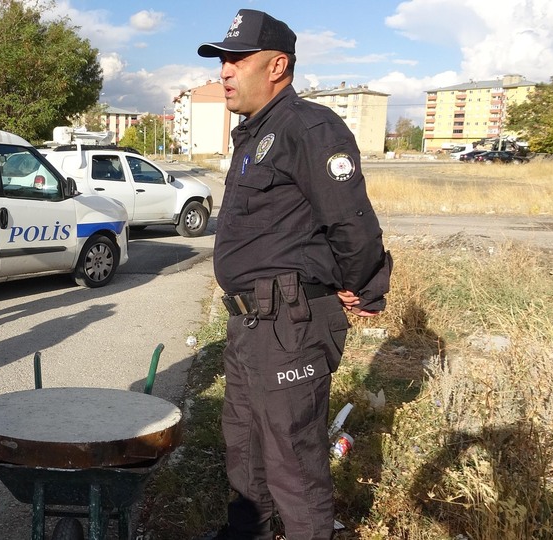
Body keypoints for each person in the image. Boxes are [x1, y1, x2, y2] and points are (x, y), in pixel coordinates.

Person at [197, 9, 392, 540]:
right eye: (222, 61)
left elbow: (350, 220)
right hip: (249, 324)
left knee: (292, 460)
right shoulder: (255, 134)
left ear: (277, 65)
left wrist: (365, 283)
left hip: (290, 322)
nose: (225, 72)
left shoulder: (310, 126)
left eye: (237, 59)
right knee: (245, 446)